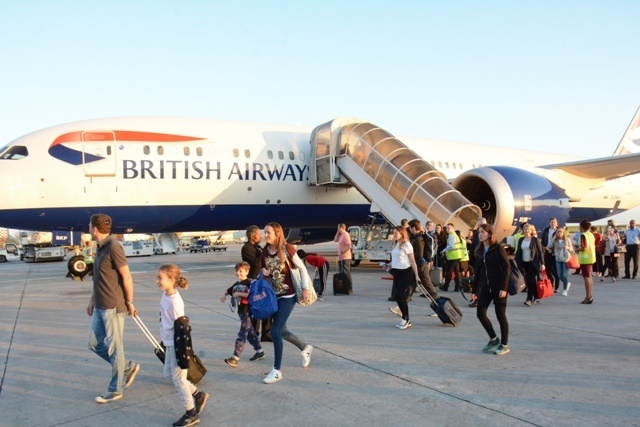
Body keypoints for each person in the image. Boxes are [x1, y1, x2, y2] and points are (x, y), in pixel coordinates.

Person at [86, 214, 140, 404]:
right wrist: (92, 300)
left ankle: (115, 389)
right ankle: (126, 367)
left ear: (94, 229)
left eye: (89, 226)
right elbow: (98, 278)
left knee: (115, 349)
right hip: (100, 305)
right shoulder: (99, 247)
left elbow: (126, 276)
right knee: (93, 343)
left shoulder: (114, 246)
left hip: (113, 307)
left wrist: (130, 302)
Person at [156, 264, 210, 427]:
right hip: (168, 342)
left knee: (179, 379)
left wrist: (183, 353)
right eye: (157, 277)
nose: (157, 281)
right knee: (168, 375)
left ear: (172, 280)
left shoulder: (175, 302)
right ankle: (198, 394)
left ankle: (191, 413)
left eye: (160, 278)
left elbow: (183, 329)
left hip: (177, 345)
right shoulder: (166, 295)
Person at [261, 222, 313, 384]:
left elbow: (302, 268)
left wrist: (305, 289)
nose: (266, 235)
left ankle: (277, 370)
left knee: (275, 332)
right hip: (273, 296)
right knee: (283, 332)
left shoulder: (287, 248)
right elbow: (265, 274)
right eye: (265, 232)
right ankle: (305, 348)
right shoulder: (264, 251)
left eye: (268, 232)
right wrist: (264, 273)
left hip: (288, 295)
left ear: (277, 233)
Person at [472, 224, 511, 356]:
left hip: (499, 287)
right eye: (479, 233)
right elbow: (478, 271)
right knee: (480, 313)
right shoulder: (479, 250)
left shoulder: (498, 248)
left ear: (489, 234)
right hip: (485, 287)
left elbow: (507, 267)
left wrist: (504, 287)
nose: (480, 234)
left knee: (500, 315)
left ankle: (504, 344)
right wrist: (474, 290)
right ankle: (494, 339)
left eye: (482, 232)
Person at [220, 261, 265, 367]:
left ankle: (235, 357)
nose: (238, 273)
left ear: (247, 271)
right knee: (250, 334)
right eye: (237, 271)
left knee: (242, 334)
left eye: (241, 271)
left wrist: (239, 294)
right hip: (241, 312)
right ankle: (260, 351)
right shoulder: (237, 284)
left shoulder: (250, 282)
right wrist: (224, 294)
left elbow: (252, 294)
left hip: (248, 311)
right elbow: (229, 290)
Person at [381, 226, 421, 330]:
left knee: (399, 296)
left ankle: (405, 319)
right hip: (396, 272)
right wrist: (388, 265)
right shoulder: (395, 244)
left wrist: (416, 275)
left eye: (396, 233)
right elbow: (396, 259)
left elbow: (412, 261)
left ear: (402, 234)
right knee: (400, 297)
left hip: (405, 272)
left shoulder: (407, 245)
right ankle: (406, 319)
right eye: (393, 233)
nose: (394, 235)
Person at [242, 225, 271, 342]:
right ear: (252, 236)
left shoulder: (257, 247)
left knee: (267, 307)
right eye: (259, 234)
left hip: (263, 281)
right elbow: (255, 263)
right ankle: (254, 333)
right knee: (256, 308)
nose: (261, 236)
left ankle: (266, 333)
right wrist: (264, 251)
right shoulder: (246, 248)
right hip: (254, 282)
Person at [515, 223, 545, 307]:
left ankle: (529, 299)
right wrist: (515, 261)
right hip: (524, 262)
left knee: (530, 279)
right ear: (523, 230)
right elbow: (518, 252)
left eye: (528, 229)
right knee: (529, 281)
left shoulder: (535, 240)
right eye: (525, 229)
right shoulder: (521, 240)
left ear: (531, 230)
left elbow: (540, 252)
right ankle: (536, 295)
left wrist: (542, 263)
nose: (527, 230)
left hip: (533, 263)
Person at [439, 223, 465, 292]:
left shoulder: (451, 235)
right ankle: (457, 286)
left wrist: (443, 250)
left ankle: (446, 286)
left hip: (452, 256)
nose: (447, 230)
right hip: (457, 255)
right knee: (456, 271)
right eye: (446, 228)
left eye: (448, 228)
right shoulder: (456, 235)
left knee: (449, 272)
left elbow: (451, 246)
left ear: (452, 228)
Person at [577, 220, 596, 304]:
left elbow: (584, 248)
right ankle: (590, 295)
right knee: (589, 277)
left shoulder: (583, 235)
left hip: (585, 259)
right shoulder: (591, 234)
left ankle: (588, 297)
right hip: (591, 258)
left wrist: (576, 249)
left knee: (587, 278)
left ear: (581, 226)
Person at [552, 228, 574, 296]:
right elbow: (549, 245)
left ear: (563, 233)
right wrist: (553, 238)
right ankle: (567, 283)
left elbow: (571, 249)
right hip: (558, 259)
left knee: (564, 275)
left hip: (565, 259)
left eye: (560, 232)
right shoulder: (555, 240)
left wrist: (567, 247)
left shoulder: (567, 240)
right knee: (559, 275)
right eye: (558, 232)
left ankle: (565, 289)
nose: (559, 233)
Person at [541, 217, 559, 292]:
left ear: (556, 223)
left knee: (555, 269)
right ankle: (551, 282)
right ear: (549, 223)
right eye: (551, 222)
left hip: (555, 253)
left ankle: (557, 286)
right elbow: (542, 240)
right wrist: (543, 247)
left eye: (554, 222)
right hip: (547, 252)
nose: (553, 223)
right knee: (547, 269)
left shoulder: (558, 231)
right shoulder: (546, 230)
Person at [334, 223, 353, 293]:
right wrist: (337, 233)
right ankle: (343, 287)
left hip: (345, 257)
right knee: (342, 273)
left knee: (346, 273)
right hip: (341, 258)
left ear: (342, 228)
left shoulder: (345, 235)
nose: (337, 229)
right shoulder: (341, 235)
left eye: (338, 228)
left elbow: (349, 246)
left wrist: (342, 252)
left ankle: (349, 288)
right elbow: (335, 240)